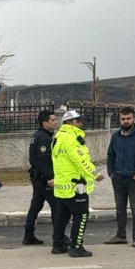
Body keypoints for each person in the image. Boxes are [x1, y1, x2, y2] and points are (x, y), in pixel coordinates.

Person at [51, 110, 105, 257]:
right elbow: (80, 160)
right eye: (78, 120)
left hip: (63, 185)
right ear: (69, 123)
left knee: (61, 216)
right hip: (76, 185)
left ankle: (58, 245)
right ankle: (76, 246)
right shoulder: (71, 138)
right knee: (81, 215)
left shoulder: (58, 136)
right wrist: (95, 174)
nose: (81, 123)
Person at [104, 106, 135, 248]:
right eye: (123, 119)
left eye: (128, 118)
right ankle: (121, 236)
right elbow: (111, 155)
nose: (125, 121)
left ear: (133, 118)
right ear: (119, 119)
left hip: (134, 179)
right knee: (120, 208)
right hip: (118, 178)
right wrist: (111, 172)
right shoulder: (116, 136)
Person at [23, 111, 60, 245]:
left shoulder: (39, 135)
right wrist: (50, 177)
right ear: (45, 123)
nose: (56, 122)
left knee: (36, 205)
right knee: (56, 205)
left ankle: (28, 235)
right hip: (44, 177)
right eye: (53, 120)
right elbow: (44, 160)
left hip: (37, 176)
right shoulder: (43, 138)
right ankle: (59, 236)